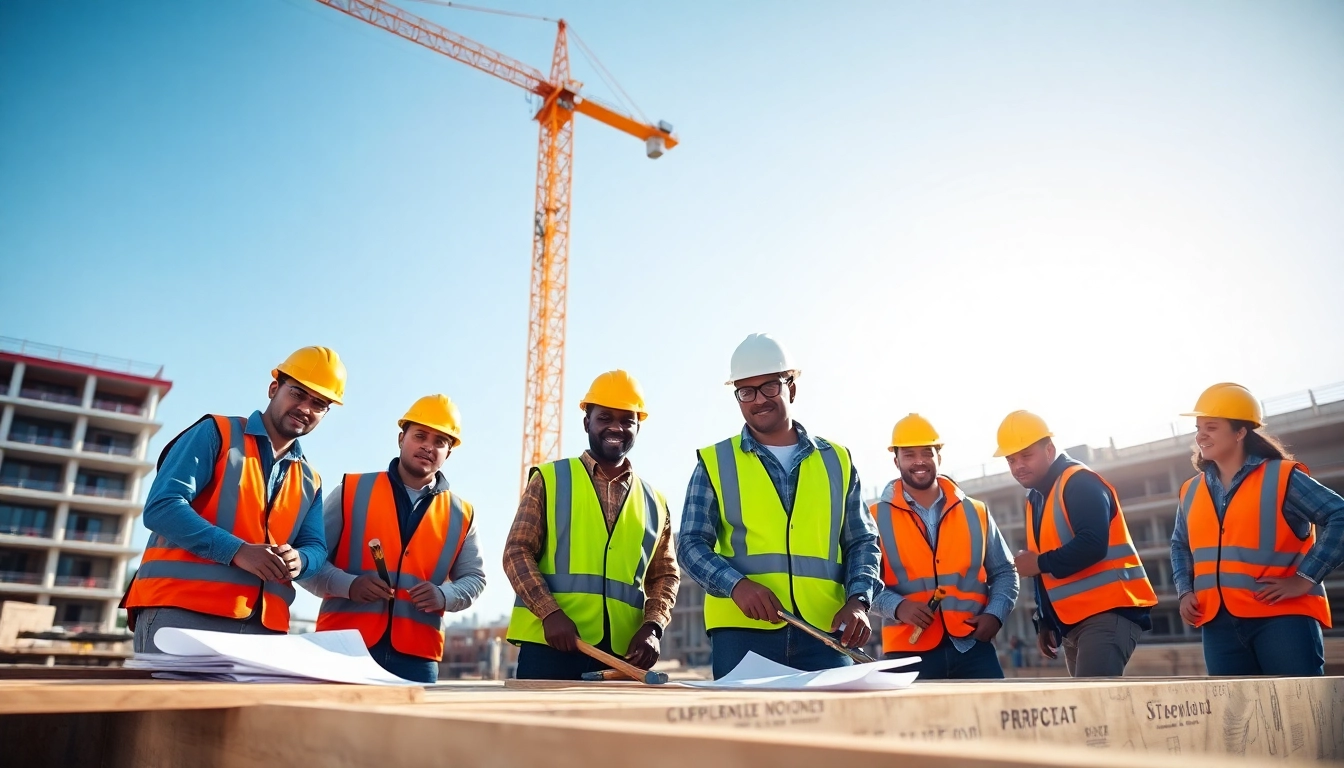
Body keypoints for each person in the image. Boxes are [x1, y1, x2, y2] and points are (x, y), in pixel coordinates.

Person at [677, 333, 880, 679]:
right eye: (746, 391)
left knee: (831, 731)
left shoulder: (837, 461)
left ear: (792, 388)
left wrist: (859, 601)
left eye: (770, 386)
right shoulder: (715, 462)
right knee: (747, 733)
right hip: (742, 634)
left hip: (827, 631)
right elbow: (690, 544)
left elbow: (862, 541)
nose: (758, 400)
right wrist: (736, 585)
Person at [123, 346, 345, 651]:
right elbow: (163, 507)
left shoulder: (311, 479)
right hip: (182, 613)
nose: (305, 408)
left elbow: (316, 547)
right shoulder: (215, 433)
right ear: (273, 388)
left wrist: (301, 560)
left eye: (318, 403)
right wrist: (238, 551)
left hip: (264, 628)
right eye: (297, 394)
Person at [505, 371, 679, 680]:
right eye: (605, 418)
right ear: (587, 422)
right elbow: (517, 552)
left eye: (627, 420)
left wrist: (653, 626)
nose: (616, 427)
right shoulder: (549, 479)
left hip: (621, 655)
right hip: (549, 645)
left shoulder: (655, 501)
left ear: (639, 426)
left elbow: (664, 575)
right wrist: (550, 612)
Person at [301, 395, 485, 683]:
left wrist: (443, 595)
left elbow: (475, 579)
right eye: (420, 436)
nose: (428, 446)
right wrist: (349, 586)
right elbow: (308, 560)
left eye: (440, 441)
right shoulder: (352, 490)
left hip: (417, 656)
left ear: (448, 453)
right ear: (401, 438)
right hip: (343, 647)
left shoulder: (461, 513)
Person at [1171, 382, 1344, 676]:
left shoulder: (1282, 476)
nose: (1201, 435)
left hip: (1282, 619)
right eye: (1198, 427)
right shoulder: (1191, 490)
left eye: (1211, 427)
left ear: (1240, 433)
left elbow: (1339, 516)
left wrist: (1304, 579)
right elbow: (1179, 545)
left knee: (1298, 715)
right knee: (1237, 720)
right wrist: (1185, 591)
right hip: (1217, 624)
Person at [996, 410, 1157, 677]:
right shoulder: (1035, 498)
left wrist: (1037, 562)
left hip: (1107, 612)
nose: (1018, 466)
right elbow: (1044, 567)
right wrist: (1044, 620)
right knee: (1087, 710)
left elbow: (1093, 543)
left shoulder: (1079, 482)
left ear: (1049, 450)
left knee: (1098, 706)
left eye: (1026, 456)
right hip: (1071, 621)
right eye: (1011, 460)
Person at [871, 414, 1019, 679]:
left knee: (990, 718)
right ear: (896, 461)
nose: (919, 461)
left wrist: (995, 615)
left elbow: (1005, 572)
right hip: (907, 649)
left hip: (972, 647)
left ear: (939, 456)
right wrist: (897, 606)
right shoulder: (874, 518)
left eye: (927, 452)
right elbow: (861, 582)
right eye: (909, 454)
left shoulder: (977, 512)